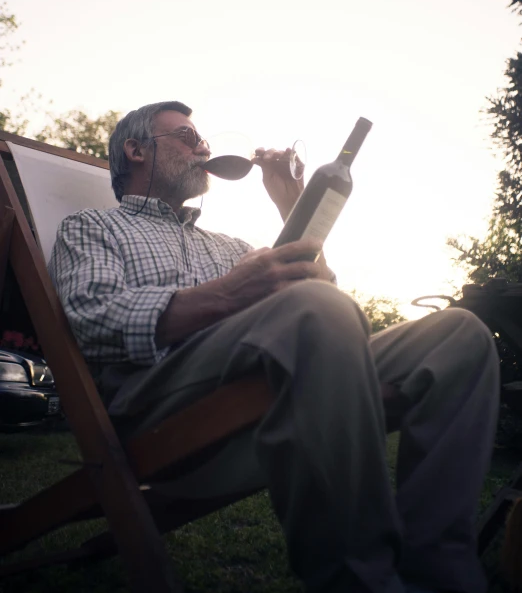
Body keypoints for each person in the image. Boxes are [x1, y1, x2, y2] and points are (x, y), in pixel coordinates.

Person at [49, 100, 500, 593]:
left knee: (459, 335)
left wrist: (293, 204)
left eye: (202, 139)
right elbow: (91, 317)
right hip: (158, 400)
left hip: (267, 376)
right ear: (135, 150)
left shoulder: (230, 246)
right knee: (314, 308)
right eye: (187, 135)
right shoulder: (92, 227)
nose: (203, 147)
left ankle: (442, 570)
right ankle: (359, 580)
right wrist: (225, 295)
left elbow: (320, 293)